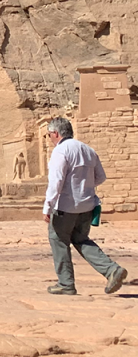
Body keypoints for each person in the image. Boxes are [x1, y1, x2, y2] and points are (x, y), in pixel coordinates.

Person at [43, 116, 128, 295]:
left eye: (49, 135)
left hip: (66, 207)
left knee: (58, 240)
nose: (49, 139)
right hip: (87, 206)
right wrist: (85, 186)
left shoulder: (61, 151)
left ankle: (66, 283)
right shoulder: (88, 149)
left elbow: (56, 181)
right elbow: (101, 177)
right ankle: (111, 270)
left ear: (56, 133)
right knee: (81, 240)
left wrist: (47, 206)